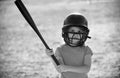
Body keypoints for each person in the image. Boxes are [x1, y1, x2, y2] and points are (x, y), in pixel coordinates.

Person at [45, 13, 93, 78]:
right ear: (66, 33)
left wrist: (67, 68)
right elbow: (59, 69)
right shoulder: (60, 50)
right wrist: (51, 56)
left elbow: (86, 69)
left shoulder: (86, 50)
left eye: (79, 32)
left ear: (84, 34)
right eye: (72, 31)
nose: (75, 34)